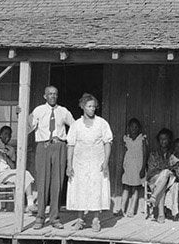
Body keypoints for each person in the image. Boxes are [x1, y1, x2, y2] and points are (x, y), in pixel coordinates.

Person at [28, 84, 73, 228]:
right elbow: (29, 126)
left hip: (59, 146)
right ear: (45, 96)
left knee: (57, 183)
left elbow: (75, 127)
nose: (53, 96)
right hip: (43, 146)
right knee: (42, 183)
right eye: (50, 94)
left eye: (55, 94)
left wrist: (70, 143)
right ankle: (40, 217)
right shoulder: (38, 110)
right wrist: (21, 114)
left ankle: (55, 218)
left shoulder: (63, 111)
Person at [67, 93, 114, 231]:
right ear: (82, 107)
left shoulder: (102, 123)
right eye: (89, 106)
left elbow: (107, 143)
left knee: (95, 189)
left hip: (96, 162)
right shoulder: (76, 125)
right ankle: (80, 219)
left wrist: (105, 161)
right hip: (79, 163)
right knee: (80, 189)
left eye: (94, 106)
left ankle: (95, 220)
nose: (92, 109)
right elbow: (70, 145)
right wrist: (69, 164)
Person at [0, 125, 36, 210]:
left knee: (25, 174)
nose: (7, 136)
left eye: (9, 135)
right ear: (0, 134)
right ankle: (25, 205)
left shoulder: (10, 149)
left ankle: (30, 204)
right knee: (23, 175)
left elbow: (13, 166)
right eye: (5, 134)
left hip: (9, 173)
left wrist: (6, 156)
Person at [146, 128, 179, 222]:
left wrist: (165, 170)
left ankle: (154, 197)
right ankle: (161, 214)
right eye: (161, 139)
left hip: (169, 179)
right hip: (154, 179)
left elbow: (175, 167)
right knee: (163, 181)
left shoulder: (173, 153)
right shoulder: (154, 153)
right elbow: (152, 170)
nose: (163, 141)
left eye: (165, 139)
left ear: (169, 140)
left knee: (166, 173)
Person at [120, 117, 148, 217]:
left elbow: (145, 154)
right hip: (128, 166)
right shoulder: (126, 139)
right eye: (132, 127)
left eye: (136, 127)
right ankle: (122, 209)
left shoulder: (142, 139)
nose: (134, 129)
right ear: (128, 128)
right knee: (126, 187)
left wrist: (143, 168)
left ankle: (131, 210)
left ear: (139, 128)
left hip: (138, 166)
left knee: (135, 188)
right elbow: (124, 152)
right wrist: (123, 166)